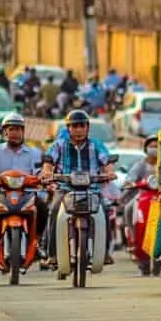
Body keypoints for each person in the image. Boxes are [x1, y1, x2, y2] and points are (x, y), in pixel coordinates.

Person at [39, 110, 115, 267]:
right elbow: (48, 160)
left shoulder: (96, 144)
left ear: (87, 128)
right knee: (53, 210)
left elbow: (106, 160)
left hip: (92, 189)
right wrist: (47, 171)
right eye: (74, 126)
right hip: (65, 188)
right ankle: (52, 254)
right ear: (68, 128)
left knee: (105, 210)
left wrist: (110, 172)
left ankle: (105, 252)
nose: (78, 130)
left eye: (82, 126)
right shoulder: (59, 144)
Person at [0, 113, 45, 269]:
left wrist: (42, 179)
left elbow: (39, 171)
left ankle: (37, 243)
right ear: (5, 132)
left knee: (42, 207)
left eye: (18, 129)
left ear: (23, 132)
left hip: (27, 193)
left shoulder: (34, 153)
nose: (14, 133)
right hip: (1, 193)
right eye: (11, 129)